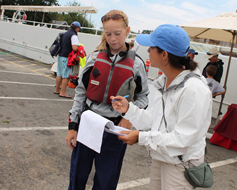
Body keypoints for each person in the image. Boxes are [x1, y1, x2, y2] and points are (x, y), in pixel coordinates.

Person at [111, 24, 212, 190]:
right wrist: (128, 109)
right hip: (162, 156)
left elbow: (182, 140)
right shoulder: (163, 82)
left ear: (164, 55)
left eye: (152, 48)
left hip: (181, 165)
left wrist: (140, 137)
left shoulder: (194, 90)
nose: (148, 51)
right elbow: (154, 119)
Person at [66, 10, 149, 190]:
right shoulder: (95, 58)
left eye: (117, 33)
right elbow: (81, 92)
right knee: (77, 175)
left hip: (115, 129)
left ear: (127, 31)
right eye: (108, 33)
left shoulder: (137, 64)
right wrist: (73, 126)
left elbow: (143, 96)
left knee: (106, 180)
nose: (113, 38)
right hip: (88, 122)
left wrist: (129, 118)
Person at [54, 21, 81, 98]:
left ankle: (57, 90)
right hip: (67, 57)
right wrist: (79, 48)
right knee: (66, 76)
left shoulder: (65, 34)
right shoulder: (74, 36)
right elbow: (74, 48)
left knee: (59, 73)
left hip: (60, 55)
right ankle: (62, 93)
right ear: (76, 28)